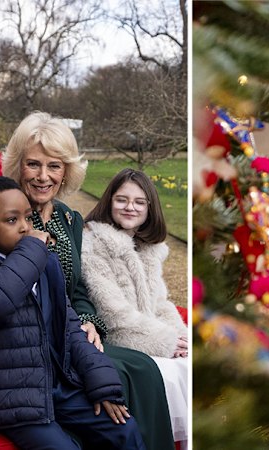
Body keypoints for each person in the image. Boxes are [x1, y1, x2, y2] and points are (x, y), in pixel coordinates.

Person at [0, 112, 174, 449]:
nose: (43, 176)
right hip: (16, 359)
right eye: (33, 164)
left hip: (65, 335)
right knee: (126, 373)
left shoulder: (67, 218)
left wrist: (88, 321)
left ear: (66, 172)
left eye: (54, 166)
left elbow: (75, 289)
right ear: (18, 165)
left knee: (142, 369)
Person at [0, 176, 145, 449]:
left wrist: (102, 384)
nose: (26, 228)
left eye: (27, 217)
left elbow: (69, 324)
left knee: (124, 429)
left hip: (55, 388)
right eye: (12, 220)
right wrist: (33, 248)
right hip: (11, 396)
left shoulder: (42, 261)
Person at [82, 168, 189, 447]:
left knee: (190, 362)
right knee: (166, 371)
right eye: (122, 199)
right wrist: (165, 342)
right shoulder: (92, 243)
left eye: (139, 202)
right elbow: (112, 313)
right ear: (109, 201)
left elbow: (160, 303)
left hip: (147, 332)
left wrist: (180, 336)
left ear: (149, 207)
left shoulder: (148, 248)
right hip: (120, 339)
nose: (130, 207)